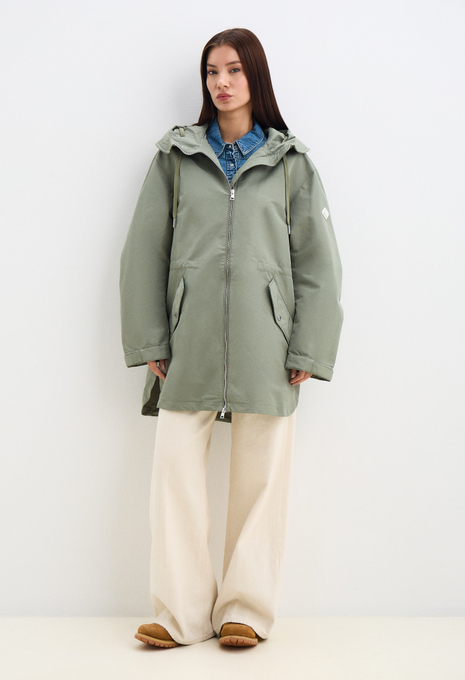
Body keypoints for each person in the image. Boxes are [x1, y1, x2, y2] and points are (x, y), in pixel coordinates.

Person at [119, 27, 344, 648]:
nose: (221, 82)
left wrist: (307, 347)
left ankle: (245, 609)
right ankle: (180, 613)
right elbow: (144, 252)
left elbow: (319, 265)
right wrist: (150, 339)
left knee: (261, 477)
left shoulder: (291, 163)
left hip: (266, 343)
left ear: (255, 78)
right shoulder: (175, 157)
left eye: (234, 70)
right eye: (212, 72)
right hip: (186, 339)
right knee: (174, 475)